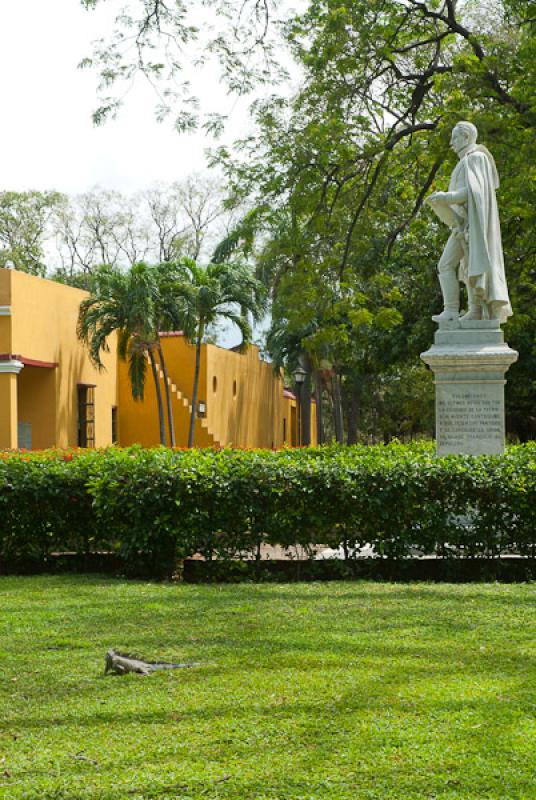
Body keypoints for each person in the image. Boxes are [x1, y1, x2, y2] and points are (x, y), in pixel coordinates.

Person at [425, 121, 512, 323]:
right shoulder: (466, 160)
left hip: (472, 227)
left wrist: (445, 197)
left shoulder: (476, 158)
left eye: (455, 138)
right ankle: (463, 310)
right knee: (458, 265)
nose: (451, 142)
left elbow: (473, 193)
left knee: (455, 264)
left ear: (466, 137)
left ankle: (463, 310)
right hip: (463, 225)